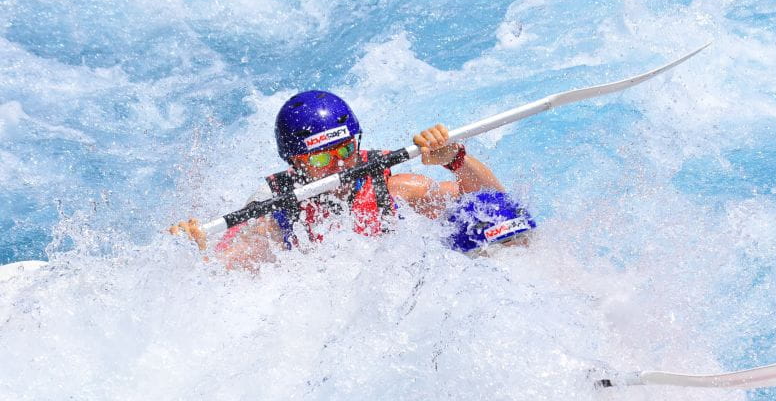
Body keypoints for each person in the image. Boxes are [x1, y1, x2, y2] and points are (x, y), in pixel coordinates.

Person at [169, 91, 536, 266]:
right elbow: (228, 265)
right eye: (322, 158)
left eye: (345, 152)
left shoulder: (400, 189)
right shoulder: (275, 211)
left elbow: (497, 207)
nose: (338, 167)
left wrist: (455, 159)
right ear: (294, 164)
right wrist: (196, 244)